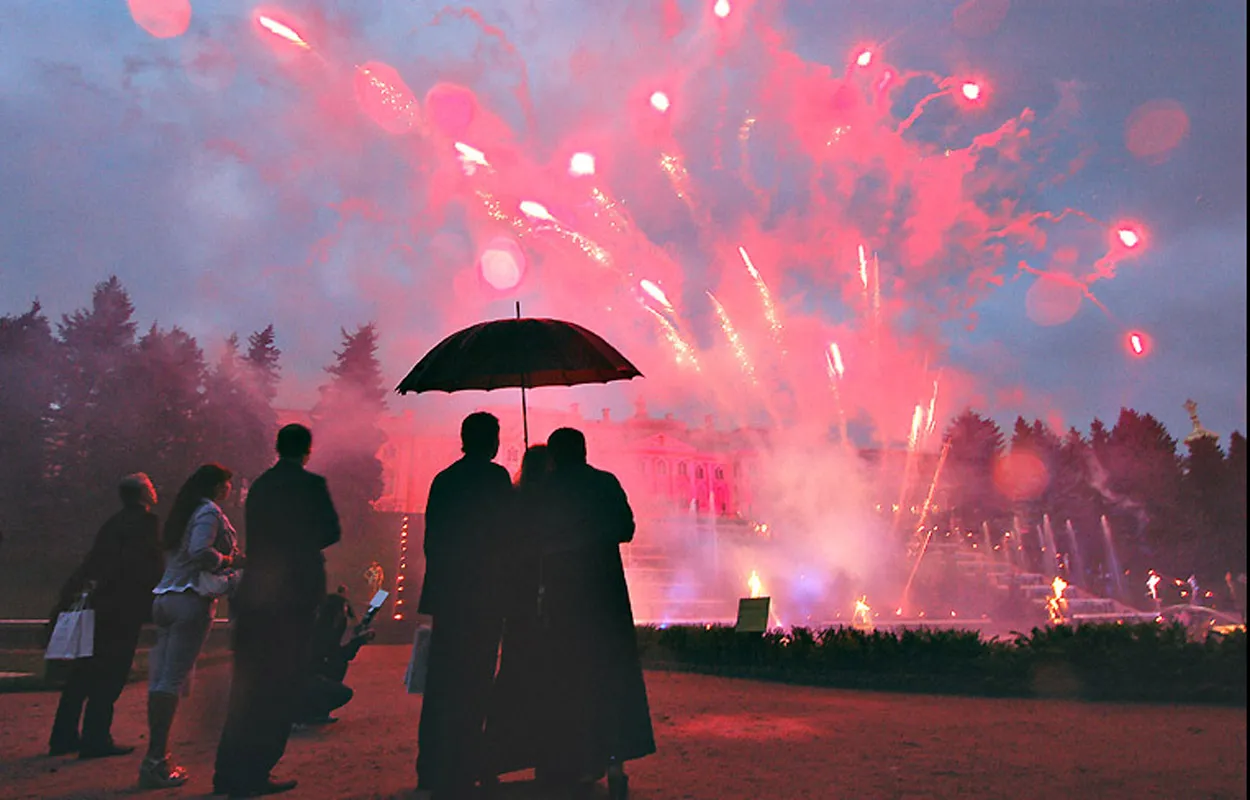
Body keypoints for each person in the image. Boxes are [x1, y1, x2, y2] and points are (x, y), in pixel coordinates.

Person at [213, 424, 341, 798]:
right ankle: (257, 770)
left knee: (248, 684)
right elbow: (330, 532)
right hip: (295, 595)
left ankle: (228, 771)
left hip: (258, 591)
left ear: (277, 447)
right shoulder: (311, 485)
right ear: (307, 451)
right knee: (281, 685)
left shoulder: (261, 486)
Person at [531, 427, 655, 799]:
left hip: (562, 593)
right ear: (584, 451)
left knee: (565, 676)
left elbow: (530, 539)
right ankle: (614, 761)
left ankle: (568, 761)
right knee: (610, 674)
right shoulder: (605, 483)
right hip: (604, 591)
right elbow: (626, 529)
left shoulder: (545, 490)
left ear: (554, 456)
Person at [415, 412, 514, 798]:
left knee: (442, 682)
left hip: (449, 595)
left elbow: (432, 539)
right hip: (485, 595)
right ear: (492, 441)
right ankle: (467, 765)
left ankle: (431, 768)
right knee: (476, 681)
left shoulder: (444, 479)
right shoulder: (497, 479)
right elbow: (508, 535)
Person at [48, 473, 165, 759]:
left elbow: (93, 562)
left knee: (84, 671)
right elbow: (148, 567)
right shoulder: (147, 523)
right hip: (125, 607)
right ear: (143, 493)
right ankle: (96, 737)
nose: (155, 491)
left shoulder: (112, 523)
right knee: (111, 674)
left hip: (100, 604)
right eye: (151, 487)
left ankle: (63, 736)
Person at [139, 465, 241, 789]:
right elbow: (200, 552)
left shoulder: (184, 512)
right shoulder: (209, 512)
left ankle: (157, 755)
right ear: (218, 486)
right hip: (190, 599)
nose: (230, 489)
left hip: (164, 599)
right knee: (171, 680)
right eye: (227, 483)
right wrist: (230, 561)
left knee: (161, 680)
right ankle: (156, 760)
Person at [484, 445, 551, 778]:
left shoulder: (513, 501)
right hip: (541, 596)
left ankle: (494, 756)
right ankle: (547, 758)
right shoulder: (550, 505)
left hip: (517, 598)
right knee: (547, 677)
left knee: (513, 671)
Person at [295, 588, 373, 726]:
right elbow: (338, 656)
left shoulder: (321, 629)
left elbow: (339, 654)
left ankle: (315, 712)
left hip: (309, 678)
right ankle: (306, 713)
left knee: (336, 672)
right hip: (305, 681)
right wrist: (357, 641)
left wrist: (357, 640)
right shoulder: (318, 634)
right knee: (341, 690)